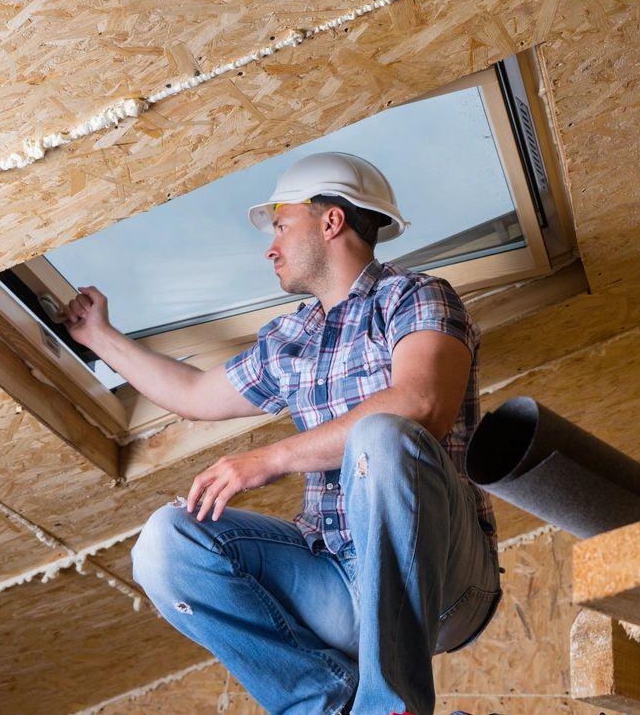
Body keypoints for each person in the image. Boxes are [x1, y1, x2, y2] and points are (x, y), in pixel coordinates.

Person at [63, 151, 500, 715]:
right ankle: (326, 705)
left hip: (445, 581)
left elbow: (421, 405)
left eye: (281, 226)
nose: (271, 247)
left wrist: (268, 459)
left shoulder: (415, 297)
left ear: (331, 221)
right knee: (165, 544)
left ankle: (391, 707)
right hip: (337, 582)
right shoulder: (290, 339)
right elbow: (194, 395)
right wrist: (98, 336)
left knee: (382, 438)